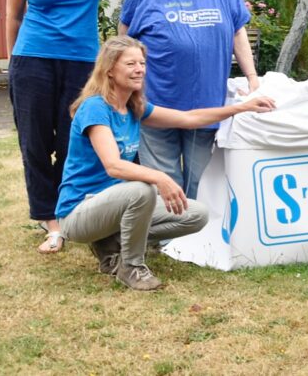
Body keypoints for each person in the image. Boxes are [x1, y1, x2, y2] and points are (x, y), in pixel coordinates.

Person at [6, 0, 163, 254]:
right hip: (34, 60)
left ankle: (72, 209)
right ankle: (50, 220)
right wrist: (13, 61)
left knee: (72, 140)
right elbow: (13, 15)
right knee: (36, 140)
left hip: (82, 62)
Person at [56, 36, 275, 290]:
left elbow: (188, 118)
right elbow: (113, 166)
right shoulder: (95, 107)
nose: (139, 69)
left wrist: (242, 108)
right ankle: (132, 267)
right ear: (110, 70)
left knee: (196, 214)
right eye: (130, 64)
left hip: (113, 205)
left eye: (142, 63)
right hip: (78, 212)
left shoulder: (133, 107)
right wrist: (160, 177)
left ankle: (112, 245)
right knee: (142, 190)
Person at [119, 0, 259, 199]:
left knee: (202, 179)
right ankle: (170, 237)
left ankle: (198, 235)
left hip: (207, 101)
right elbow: (125, 37)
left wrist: (252, 77)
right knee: (164, 179)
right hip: (155, 101)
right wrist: (126, 84)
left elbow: (237, 31)